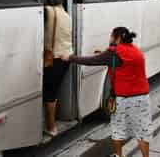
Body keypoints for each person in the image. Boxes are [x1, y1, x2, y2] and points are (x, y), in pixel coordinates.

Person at [62, 27, 152, 157]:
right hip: (143, 98)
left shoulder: (113, 53)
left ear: (118, 38)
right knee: (142, 130)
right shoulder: (135, 50)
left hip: (124, 99)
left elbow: (90, 61)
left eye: (111, 36)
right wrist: (103, 54)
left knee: (118, 130)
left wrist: (70, 57)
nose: (109, 38)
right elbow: (118, 59)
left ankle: (118, 155)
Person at [43, 0, 72, 136]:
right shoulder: (66, 14)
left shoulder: (48, 11)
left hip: (52, 58)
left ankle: (51, 126)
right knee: (53, 90)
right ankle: (50, 124)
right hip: (66, 58)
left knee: (49, 93)